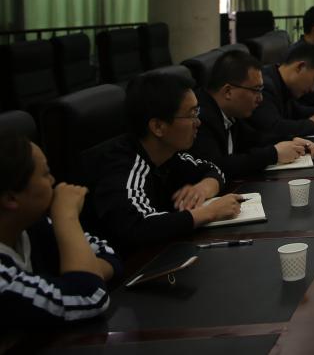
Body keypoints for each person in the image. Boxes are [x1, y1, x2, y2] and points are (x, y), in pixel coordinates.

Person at [86, 72, 242, 255]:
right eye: (191, 114)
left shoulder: (169, 155)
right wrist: (210, 212)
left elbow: (214, 169)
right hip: (127, 265)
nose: (198, 122)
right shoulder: (124, 166)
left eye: (197, 112)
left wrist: (203, 188)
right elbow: (139, 226)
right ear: (158, 127)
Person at [1, 134, 121, 326]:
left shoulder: (31, 227)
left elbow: (107, 253)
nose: (53, 180)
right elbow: (89, 296)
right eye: (45, 174)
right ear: (11, 198)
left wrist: (84, 275)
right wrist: (67, 216)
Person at [191, 50, 314, 181]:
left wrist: (293, 141)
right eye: (256, 90)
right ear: (228, 91)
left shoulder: (230, 113)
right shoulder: (198, 117)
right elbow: (216, 167)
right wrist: (274, 154)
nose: (260, 98)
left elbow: (256, 139)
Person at [250, 43, 314, 142]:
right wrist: (312, 124)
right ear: (300, 67)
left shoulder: (281, 82)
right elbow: (272, 129)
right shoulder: (264, 86)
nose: (313, 89)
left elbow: (296, 111)